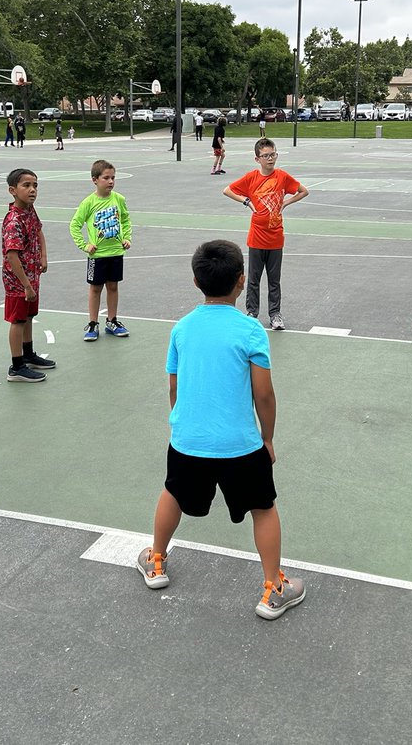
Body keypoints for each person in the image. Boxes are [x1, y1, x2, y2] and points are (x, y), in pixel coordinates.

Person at [135, 239, 305, 620]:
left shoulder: (182, 329)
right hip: (240, 445)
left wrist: (183, 427)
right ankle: (274, 589)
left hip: (188, 441)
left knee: (173, 492)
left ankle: (156, 560)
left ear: (196, 281)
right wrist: (267, 438)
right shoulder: (250, 331)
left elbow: (174, 387)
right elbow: (264, 393)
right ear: (242, 281)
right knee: (263, 508)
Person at [222, 138, 309, 330]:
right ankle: (252, 313)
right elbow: (227, 190)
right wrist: (245, 201)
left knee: (274, 280)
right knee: (253, 279)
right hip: (256, 238)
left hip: (276, 238)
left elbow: (304, 191)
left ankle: (275, 314)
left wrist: (287, 202)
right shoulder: (251, 178)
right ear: (257, 159)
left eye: (273, 154)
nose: (271, 158)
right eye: (266, 156)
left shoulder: (283, 177)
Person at [2, 168, 56, 382]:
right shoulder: (14, 220)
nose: (32, 190)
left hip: (32, 276)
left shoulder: (30, 211)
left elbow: (39, 230)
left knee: (29, 317)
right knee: (18, 320)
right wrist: (26, 285)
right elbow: (12, 256)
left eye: (35, 185)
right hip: (18, 281)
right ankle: (16, 367)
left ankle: (28, 354)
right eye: (26, 185)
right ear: (12, 190)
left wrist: (43, 255)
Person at [70, 159, 132, 342]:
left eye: (113, 178)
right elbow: (75, 225)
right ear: (95, 180)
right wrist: (84, 245)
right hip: (97, 255)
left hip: (116, 252)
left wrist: (127, 238)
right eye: (106, 178)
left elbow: (126, 220)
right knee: (95, 288)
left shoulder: (119, 199)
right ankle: (92, 323)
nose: (111, 181)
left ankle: (112, 321)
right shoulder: (88, 203)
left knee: (113, 286)